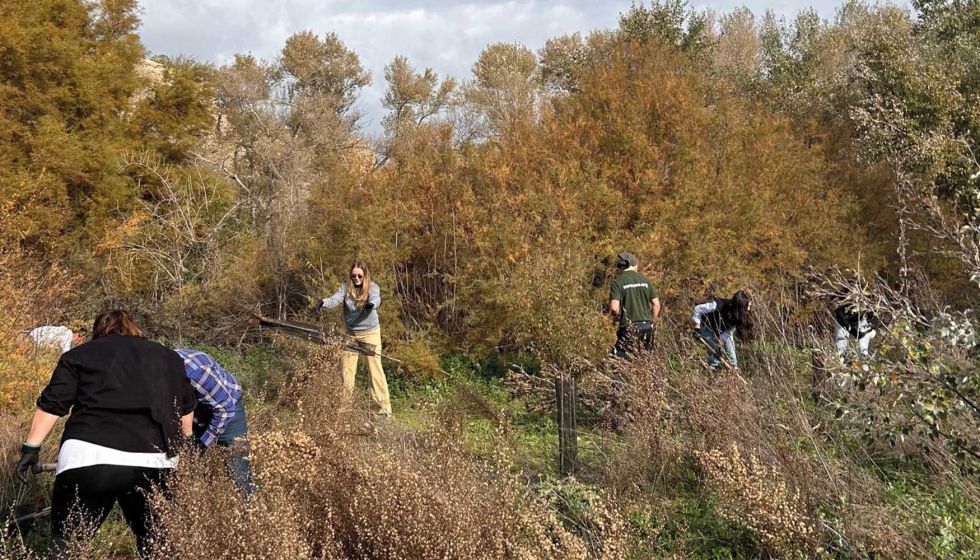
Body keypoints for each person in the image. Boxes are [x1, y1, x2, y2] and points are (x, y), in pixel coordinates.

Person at [15, 310, 196, 558]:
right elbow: (186, 411)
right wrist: (183, 453)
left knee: (67, 548)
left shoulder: (80, 355)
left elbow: (52, 404)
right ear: (133, 329)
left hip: (89, 456)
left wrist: (31, 449)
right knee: (158, 549)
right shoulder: (168, 357)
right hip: (154, 460)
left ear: (98, 332)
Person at [315, 260, 392, 417]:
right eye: (353, 276)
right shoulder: (345, 288)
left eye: (359, 276)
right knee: (347, 371)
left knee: (375, 369)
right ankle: (345, 409)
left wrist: (371, 304)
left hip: (370, 333)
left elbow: (377, 298)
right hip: (351, 335)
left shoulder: (372, 287)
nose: (356, 278)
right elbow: (334, 299)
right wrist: (323, 302)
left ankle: (383, 409)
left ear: (365, 276)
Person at [175, 348, 255, 496]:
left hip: (227, 408)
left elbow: (225, 409)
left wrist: (203, 444)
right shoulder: (151, 372)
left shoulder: (195, 372)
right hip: (192, 410)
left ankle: (250, 511)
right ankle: (190, 509)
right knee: (184, 468)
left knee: (238, 471)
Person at [609, 252, 661, 359]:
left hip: (628, 328)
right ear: (634, 265)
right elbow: (656, 305)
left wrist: (616, 316)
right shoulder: (645, 281)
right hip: (646, 326)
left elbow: (614, 308)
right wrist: (652, 322)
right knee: (646, 359)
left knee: (622, 359)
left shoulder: (617, 282)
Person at [692, 290, 754, 370]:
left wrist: (719, 345)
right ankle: (713, 368)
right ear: (740, 306)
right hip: (706, 326)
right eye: (747, 306)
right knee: (713, 350)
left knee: (730, 349)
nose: (748, 309)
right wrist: (697, 328)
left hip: (723, 330)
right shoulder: (718, 305)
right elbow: (698, 309)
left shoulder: (740, 315)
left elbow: (728, 331)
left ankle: (733, 368)